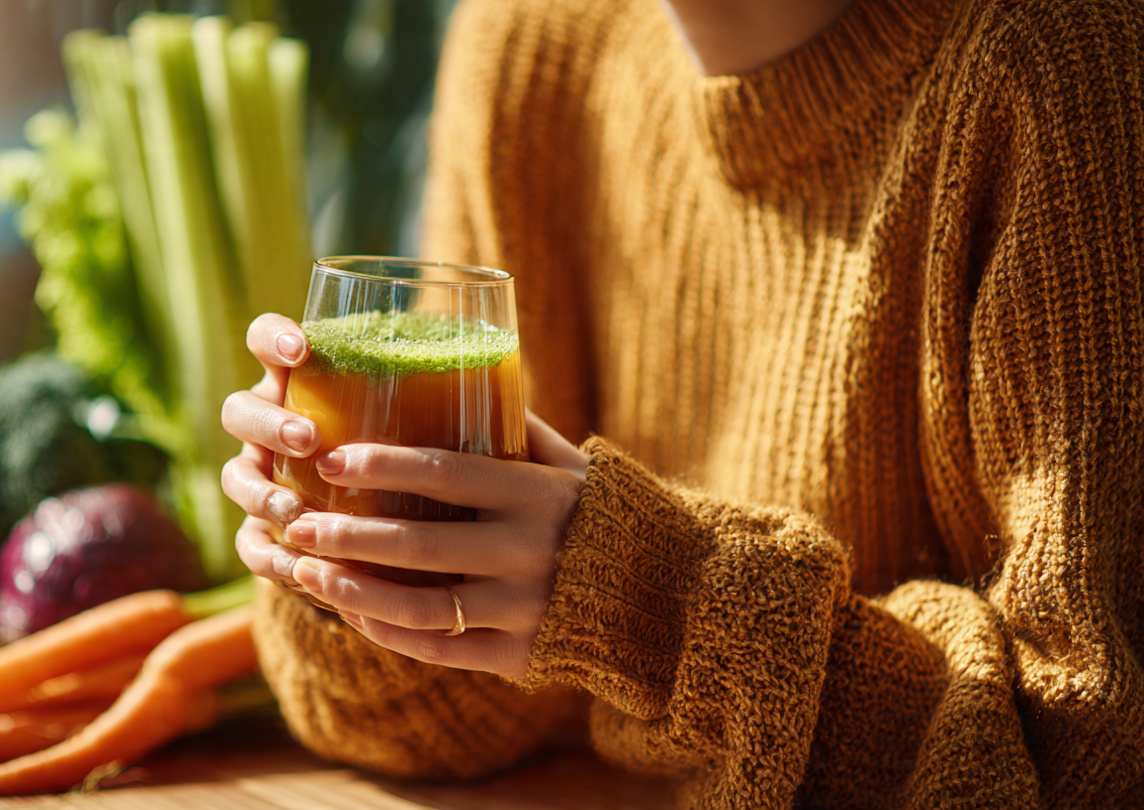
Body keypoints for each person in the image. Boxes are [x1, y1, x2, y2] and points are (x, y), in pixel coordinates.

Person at [220, 0, 1144, 805]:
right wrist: (345, 552)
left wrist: (651, 603)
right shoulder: (525, 44)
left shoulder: (1062, 65)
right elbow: (454, 724)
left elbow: (1090, 763)